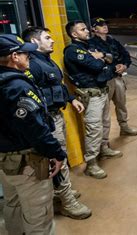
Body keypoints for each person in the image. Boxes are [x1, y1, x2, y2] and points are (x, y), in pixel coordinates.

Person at [21, 27, 92, 219]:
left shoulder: (47, 61)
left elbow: (57, 85)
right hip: (47, 119)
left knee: (61, 157)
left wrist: (71, 99)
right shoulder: (33, 65)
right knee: (58, 159)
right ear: (35, 42)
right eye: (47, 38)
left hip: (56, 115)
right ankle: (67, 201)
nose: (52, 41)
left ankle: (61, 192)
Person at [0, 34, 66, 234]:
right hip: (26, 161)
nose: (29, 56)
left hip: (4, 158)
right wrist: (56, 153)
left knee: (13, 205)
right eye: (25, 53)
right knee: (38, 216)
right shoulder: (16, 87)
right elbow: (34, 128)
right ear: (14, 56)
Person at [64, 20, 118, 179]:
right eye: (82, 29)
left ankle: (104, 149)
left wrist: (100, 56)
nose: (87, 31)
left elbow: (110, 59)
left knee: (106, 123)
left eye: (86, 28)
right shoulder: (73, 51)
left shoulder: (89, 47)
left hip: (102, 91)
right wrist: (101, 60)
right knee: (94, 129)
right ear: (74, 34)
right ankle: (92, 164)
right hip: (91, 95)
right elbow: (96, 66)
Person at [89, 17, 137, 140]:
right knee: (105, 112)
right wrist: (112, 65)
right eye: (101, 25)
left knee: (121, 104)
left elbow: (125, 55)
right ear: (94, 29)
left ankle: (124, 127)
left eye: (105, 24)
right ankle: (104, 140)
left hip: (118, 77)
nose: (105, 26)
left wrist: (124, 66)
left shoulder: (113, 41)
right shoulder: (91, 44)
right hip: (105, 81)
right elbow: (96, 62)